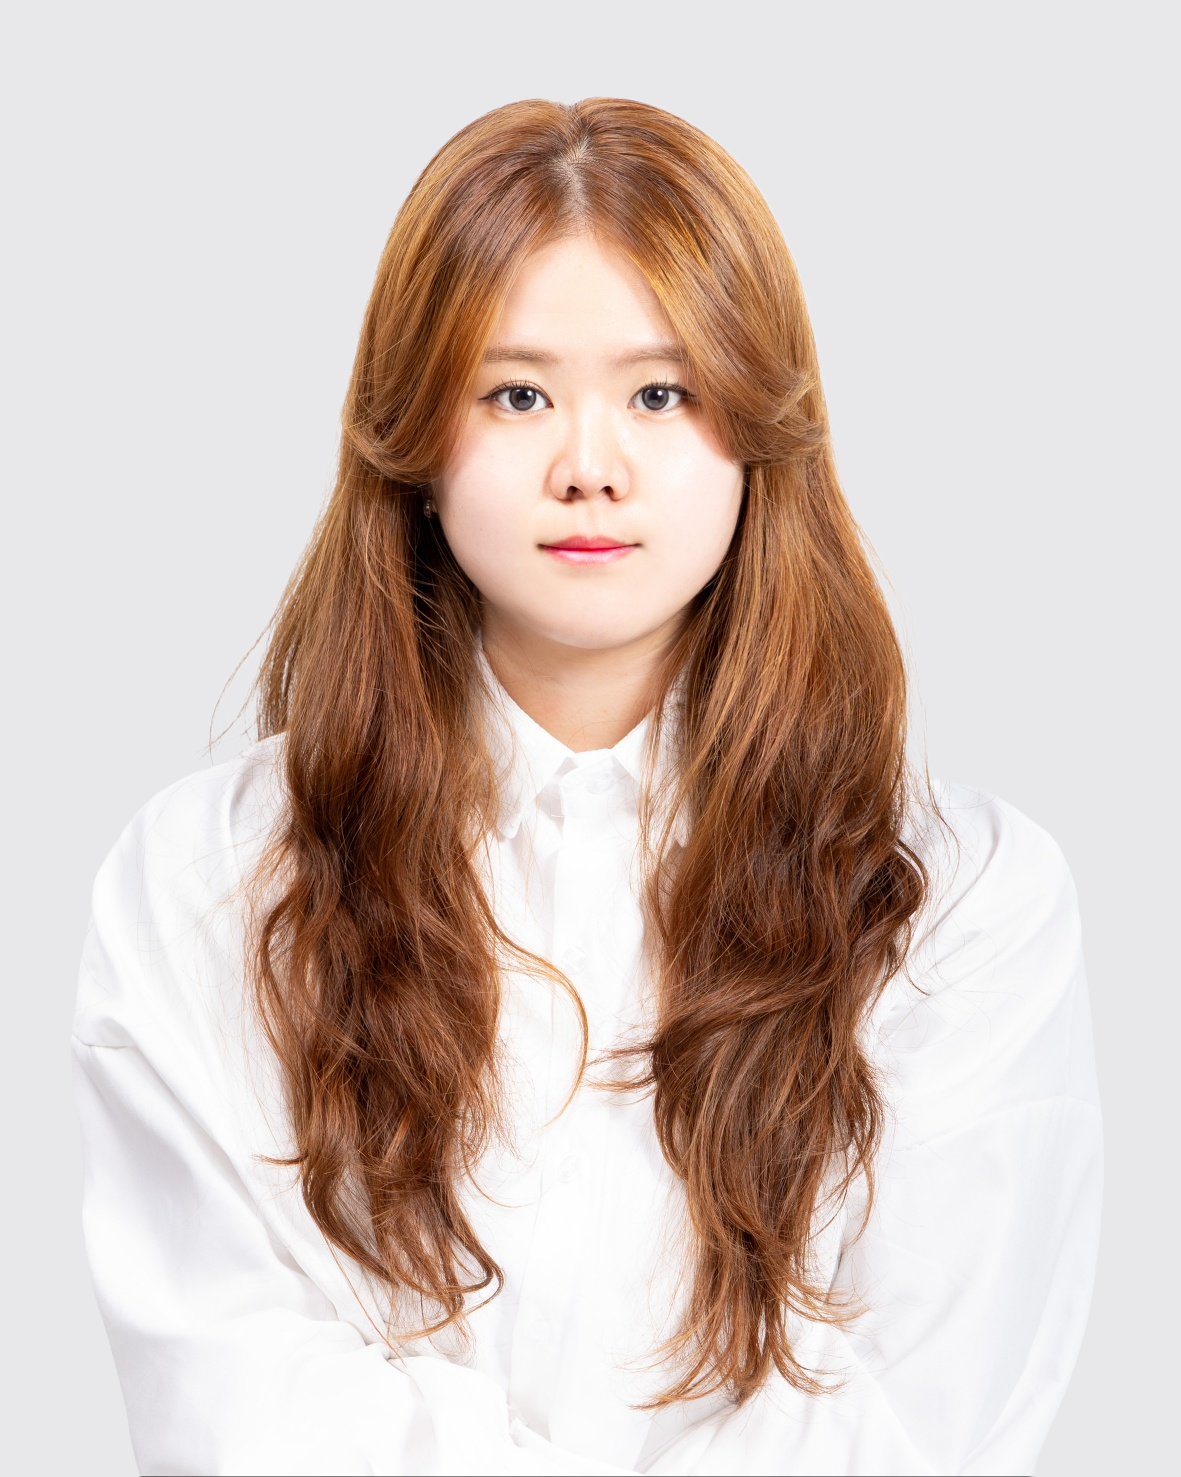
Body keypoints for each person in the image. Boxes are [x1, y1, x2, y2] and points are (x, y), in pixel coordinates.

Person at [72, 98, 1102, 1476]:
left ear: (759, 429)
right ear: (413, 438)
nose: (589, 468)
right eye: (517, 395)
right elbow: (237, 1404)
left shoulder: (958, 902)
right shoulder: (209, 880)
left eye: (662, 394)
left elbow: (927, 1415)